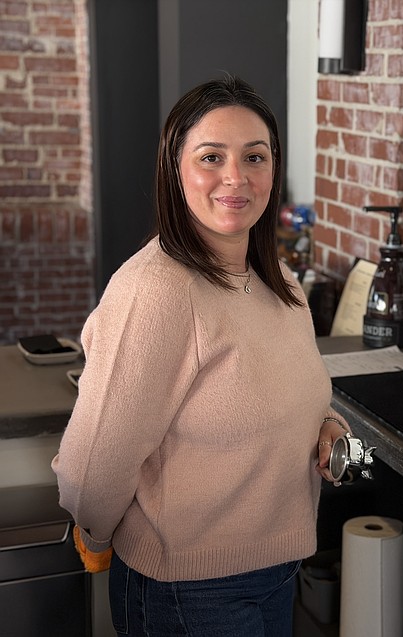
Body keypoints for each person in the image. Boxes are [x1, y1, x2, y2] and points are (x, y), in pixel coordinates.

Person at [52, 74, 351, 636]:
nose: (235, 177)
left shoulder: (276, 281)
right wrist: (93, 536)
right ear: (175, 168)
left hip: (277, 570)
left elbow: (296, 390)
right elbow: (98, 458)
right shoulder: (157, 290)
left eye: (254, 157)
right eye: (211, 156)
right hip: (188, 591)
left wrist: (325, 424)